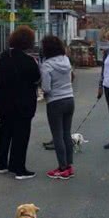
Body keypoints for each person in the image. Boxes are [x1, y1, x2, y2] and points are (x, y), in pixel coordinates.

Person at [0, 25, 41, 180]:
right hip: (23, 105)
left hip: (4, 103)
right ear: (28, 42)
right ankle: (18, 168)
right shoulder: (29, 61)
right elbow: (36, 79)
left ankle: (1, 165)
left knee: (5, 133)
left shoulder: (3, 57)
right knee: (21, 135)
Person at [40, 35, 75, 180]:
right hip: (69, 99)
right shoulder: (66, 60)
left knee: (57, 136)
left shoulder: (47, 65)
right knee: (67, 134)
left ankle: (62, 167)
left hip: (55, 101)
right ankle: (69, 166)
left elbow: (46, 88)